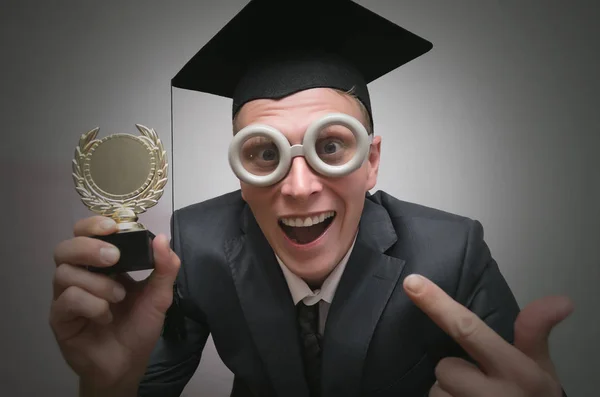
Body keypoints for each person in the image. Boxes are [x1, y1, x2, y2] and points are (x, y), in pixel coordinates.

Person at [49, 0, 572, 396]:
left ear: (369, 161)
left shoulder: (452, 250)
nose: (299, 187)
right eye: (264, 154)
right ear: (238, 170)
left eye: (331, 148)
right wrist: (107, 387)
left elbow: (513, 381)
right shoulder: (194, 245)